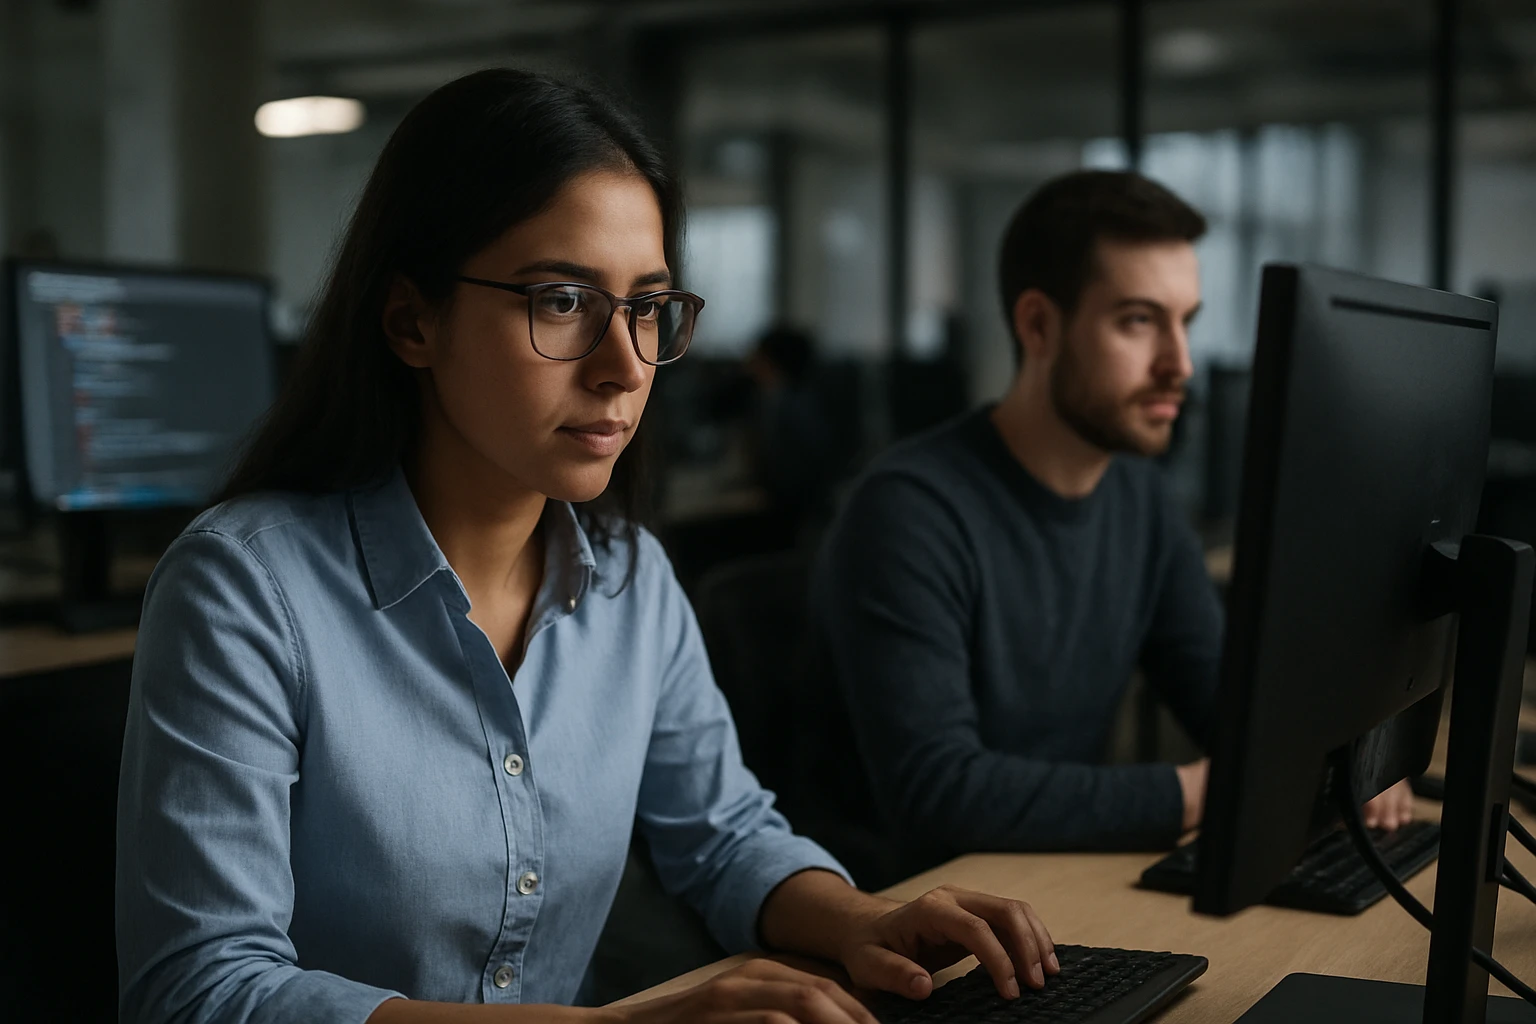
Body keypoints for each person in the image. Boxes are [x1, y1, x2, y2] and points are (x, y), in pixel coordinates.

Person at [114, 70, 1059, 1024]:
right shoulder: (244, 589)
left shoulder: (630, 580)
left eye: (647, 308)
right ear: (412, 321)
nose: (624, 366)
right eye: (563, 301)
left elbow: (724, 837)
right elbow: (202, 990)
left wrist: (861, 921)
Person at [810, 169, 1414, 883]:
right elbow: (938, 793)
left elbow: (1228, 698)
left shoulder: (1140, 497)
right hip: (909, 926)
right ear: (1038, 325)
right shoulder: (909, 511)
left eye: (1184, 322)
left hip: (1054, 888)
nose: (1179, 363)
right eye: (1138, 320)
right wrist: (1196, 791)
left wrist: (1337, 762)